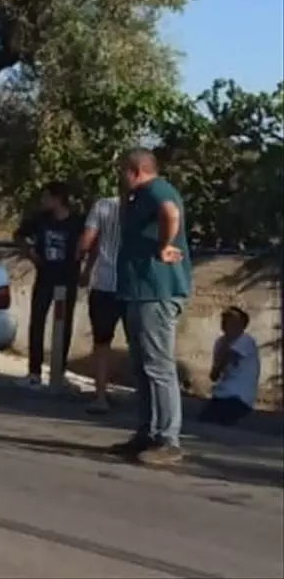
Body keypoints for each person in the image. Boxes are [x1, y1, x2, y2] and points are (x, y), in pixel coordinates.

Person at [110, 148, 192, 466]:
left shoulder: (157, 189)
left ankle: (168, 439)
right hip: (138, 292)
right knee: (142, 366)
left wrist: (164, 246)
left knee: (158, 366)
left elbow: (171, 212)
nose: (119, 177)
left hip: (156, 292)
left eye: (122, 171)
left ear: (134, 170)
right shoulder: (137, 197)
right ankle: (147, 432)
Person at [14, 181, 84, 388]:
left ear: (58, 199)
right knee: (37, 322)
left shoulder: (76, 222)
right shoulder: (40, 220)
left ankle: (59, 372)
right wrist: (31, 253)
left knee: (64, 325)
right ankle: (34, 372)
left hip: (67, 278)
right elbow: (19, 235)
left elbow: (88, 241)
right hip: (45, 277)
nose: (43, 202)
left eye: (46, 197)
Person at [78, 193, 123, 414]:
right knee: (142, 345)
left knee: (101, 343)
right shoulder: (147, 206)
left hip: (105, 283)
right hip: (135, 286)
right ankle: (149, 401)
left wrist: (84, 267)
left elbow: (89, 242)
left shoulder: (103, 205)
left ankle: (101, 396)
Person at [199, 307, 259, 428]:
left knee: (220, 420)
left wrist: (227, 344)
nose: (226, 324)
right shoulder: (220, 342)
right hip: (221, 394)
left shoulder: (246, 341)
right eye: (224, 320)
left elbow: (227, 358)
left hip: (239, 397)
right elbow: (214, 375)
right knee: (204, 420)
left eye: (231, 321)